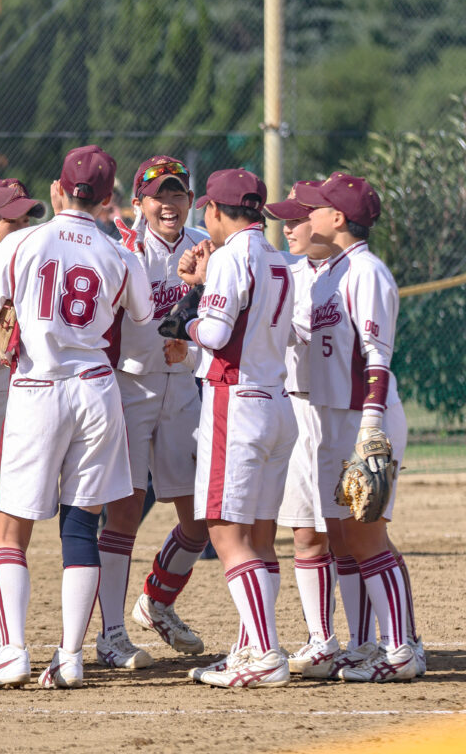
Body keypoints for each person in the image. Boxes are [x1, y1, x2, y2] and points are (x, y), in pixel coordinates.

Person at [0, 144, 154, 689]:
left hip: (38, 385)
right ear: (109, 196)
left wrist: (4, 353)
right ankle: (70, 656)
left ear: (58, 190)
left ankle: (14, 650)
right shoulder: (119, 251)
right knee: (80, 525)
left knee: (9, 530)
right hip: (96, 388)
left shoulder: (24, 240)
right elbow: (142, 315)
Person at [161, 168, 297, 689]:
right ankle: (248, 648)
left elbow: (215, 333)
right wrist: (200, 288)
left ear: (215, 211)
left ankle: (263, 653)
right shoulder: (277, 257)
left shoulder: (231, 257)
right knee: (260, 539)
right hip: (276, 402)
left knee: (224, 533)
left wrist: (185, 319)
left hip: (235, 402)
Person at [297, 173, 423, 682]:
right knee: (343, 536)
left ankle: (402, 650)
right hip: (332, 416)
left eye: (320, 207)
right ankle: (366, 645)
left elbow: (378, 357)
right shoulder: (330, 271)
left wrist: (371, 428)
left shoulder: (366, 272)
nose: (311, 214)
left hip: (364, 417)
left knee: (367, 539)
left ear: (339, 220)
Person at [96, 155, 209, 670]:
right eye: (158, 194)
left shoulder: (207, 248)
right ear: (139, 201)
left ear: (191, 199)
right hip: (130, 387)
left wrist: (193, 352)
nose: (169, 202)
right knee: (123, 511)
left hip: (184, 390)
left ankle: (157, 602)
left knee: (200, 520)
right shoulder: (122, 249)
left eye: (178, 192)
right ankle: (112, 632)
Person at [264, 184, 339, 677]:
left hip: (339, 412)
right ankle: (321, 638)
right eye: (284, 219)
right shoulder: (287, 273)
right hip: (296, 407)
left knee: (352, 535)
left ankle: (389, 640)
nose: (287, 227)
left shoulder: (349, 272)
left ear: (327, 220)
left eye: (297, 218)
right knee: (304, 533)